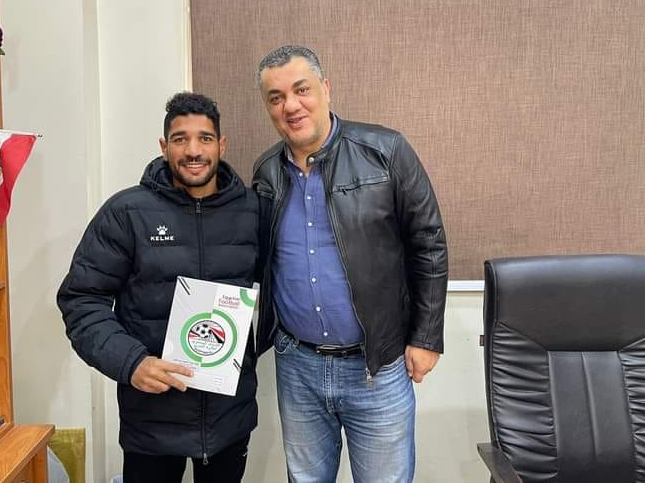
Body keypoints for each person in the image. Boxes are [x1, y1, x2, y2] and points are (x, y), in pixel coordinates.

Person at [252, 46, 448, 483]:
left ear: (326, 88)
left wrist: (426, 337)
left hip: (376, 366)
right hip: (297, 366)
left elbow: (429, 244)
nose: (290, 105)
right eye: (276, 97)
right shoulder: (265, 173)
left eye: (301, 90)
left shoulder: (386, 150)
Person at [57, 92, 260, 483]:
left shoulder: (252, 211)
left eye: (204, 138)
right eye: (181, 139)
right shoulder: (126, 213)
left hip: (229, 419)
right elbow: (81, 300)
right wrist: (131, 362)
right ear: (164, 147)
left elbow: (282, 284)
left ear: (221, 145)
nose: (193, 150)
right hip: (151, 421)